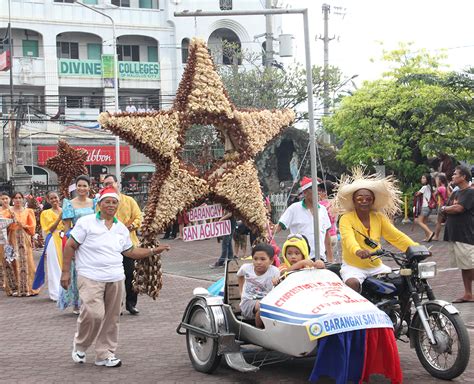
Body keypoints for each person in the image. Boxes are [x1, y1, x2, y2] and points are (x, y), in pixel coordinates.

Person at [61, 187, 170, 367]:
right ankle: (80, 346)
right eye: (107, 202)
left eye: (114, 202)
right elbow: (70, 246)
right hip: (90, 275)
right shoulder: (86, 222)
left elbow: (130, 251)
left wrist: (152, 251)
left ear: (117, 205)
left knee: (112, 318)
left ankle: (105, 354)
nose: (111, 205)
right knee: (95, 314)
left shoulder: (121, 228)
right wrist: (65, 272)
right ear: (99, 204)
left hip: (115, 276)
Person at [333, 170, 418, 292]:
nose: (364, 201)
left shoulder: (378, 217)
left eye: (368, 199)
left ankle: (403, 310)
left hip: (377, 267)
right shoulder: (346, 218)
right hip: (354, 267)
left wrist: (415, 248)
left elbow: (396, 236)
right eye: (360, 198)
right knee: (352, 284)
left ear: (372, 201)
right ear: (354, 201)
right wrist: (358, 251)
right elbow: (348, 239)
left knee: (403, 283)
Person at [102, 174, 143, 315]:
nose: (109, 186)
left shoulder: (129, 200)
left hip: (129, 245)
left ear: (117, 183)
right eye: (106, 184)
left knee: (131, 276)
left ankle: (131, 304)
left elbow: (138, 217)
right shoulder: (101, 203)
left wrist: (130, 226)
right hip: (110, 247)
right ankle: (116, 305)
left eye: (111, 183)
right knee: (113, 278)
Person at [58, 175, 97, 314]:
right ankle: (77, 302)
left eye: (84, 186)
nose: (81, 188)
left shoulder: (95, 203)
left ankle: (92, 301)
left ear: (89, 187)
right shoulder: (69, 203)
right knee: (77, 273)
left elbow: (99, 223)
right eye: (79, 186)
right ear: (76, 187)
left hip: (92, 243)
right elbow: (67, 228)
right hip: (77, 242)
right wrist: (72, 246)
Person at [274, 176, 333, 262]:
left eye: (318, 189)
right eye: (313, 189)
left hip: (320, 257)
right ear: (305, 192)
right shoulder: (294, 208)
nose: (317, 192)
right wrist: (267, 230)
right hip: (299, 258)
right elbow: (278, 227)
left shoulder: (323, 209)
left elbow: (327, 235)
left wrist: (330, 258)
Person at [441, 165, 474, 303]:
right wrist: (447, 208)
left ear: (464, 177)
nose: (452, 176)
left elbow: (458, 208)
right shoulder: (456, 193)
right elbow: (446, 208)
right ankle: (468, 293)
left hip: (466, 234)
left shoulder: (470, 192)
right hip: (454, 234)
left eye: (455, 174)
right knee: (463, 265)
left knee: (471, 264)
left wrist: (446, 208)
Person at [236, 243, 280, 328]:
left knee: (265, 306)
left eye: (263, 259)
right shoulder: (246, 268)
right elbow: (239, 276)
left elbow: (277, 288)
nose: (258, 262)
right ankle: (259, 329)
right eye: (255, 259)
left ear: (271, 261)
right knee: (262, 306)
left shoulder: (275, 271)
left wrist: (276, 283)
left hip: (267, 302)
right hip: (248, 303)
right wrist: (241, 292)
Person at [8, 192, 38, 296]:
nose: (17, 200)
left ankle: (31, 288)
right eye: (15, 198)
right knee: (15, 262)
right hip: (13, 239)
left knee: (28, 262)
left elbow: (32, 226)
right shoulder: (8, 211)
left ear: (22, 199)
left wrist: (24, 225)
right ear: (12, 199)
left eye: (20, 198)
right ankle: (19, 288)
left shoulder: (28, 211)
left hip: (24, 238)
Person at [39, 191, 64, 301]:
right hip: (53, 239)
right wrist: (59, 218)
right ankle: (55, 293)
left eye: (56, 198)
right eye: (52, 198)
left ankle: (65, 291)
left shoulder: (65, 210)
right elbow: (50, 229)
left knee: (65, 265)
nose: (54, 200)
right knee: (54, 266)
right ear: (48, 200)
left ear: (59, 198)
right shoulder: (45, 213)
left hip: (65, 239)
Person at [317, 181, 338, 253]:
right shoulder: (334, 203)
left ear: (325, 192)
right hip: (334, 235)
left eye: (320, 191)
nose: (318, 193)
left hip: (325, 236)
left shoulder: (321, 204)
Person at [0, 192, 14, 294]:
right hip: (2, 240)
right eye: (2, 199)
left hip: (11, 239)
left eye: (6, 198)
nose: (5, 201)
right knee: (2, 261)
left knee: (11, 260)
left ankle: (13, 283)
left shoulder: (13, 210)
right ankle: (4, 283)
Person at [414, 173, 435, 242]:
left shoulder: (424, 187)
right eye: (422, 178)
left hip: (424, 206)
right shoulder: (430, 187)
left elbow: (417, 194)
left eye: (424, 178)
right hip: (429, 207)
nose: (422, 179)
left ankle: (430, 233)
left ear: (427, 179)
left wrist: (417, 193)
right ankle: (428, 237)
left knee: (419, 221)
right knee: (424, 222)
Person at [432, 173, 450, 241]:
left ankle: (436, 236)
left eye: (437, 179)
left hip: (441, 206)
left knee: (438, 222)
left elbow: (433, 195)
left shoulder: (440, 188)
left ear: (440, 180)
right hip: (447, 206)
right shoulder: (446, 187)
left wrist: (437, 185)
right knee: (448, 221)